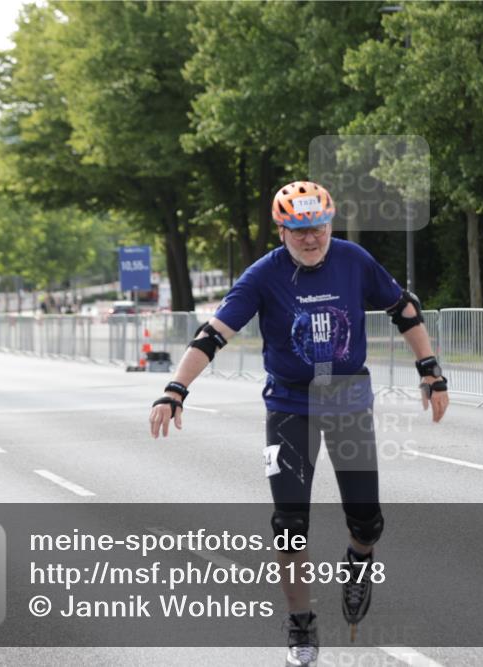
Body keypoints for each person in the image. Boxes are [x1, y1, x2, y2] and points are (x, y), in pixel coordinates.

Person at [149, 180, 449, 666]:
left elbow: (404, 308)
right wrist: (174, 389)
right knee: (289, 526)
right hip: (290, 407)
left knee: (367, 521)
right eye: (299, 230)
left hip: (348, 402)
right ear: (281, 229)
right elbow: (214, 334)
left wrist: (430, 370)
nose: (311, 239)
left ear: (329, 224)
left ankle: (357, 561)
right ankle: (301, 624)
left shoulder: (354, 260)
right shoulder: (263, 276)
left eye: (319, 228)